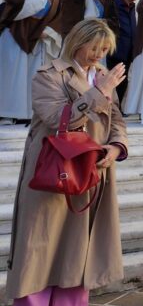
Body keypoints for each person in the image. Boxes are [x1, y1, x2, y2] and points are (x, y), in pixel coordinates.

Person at [5, 19, 128, 306]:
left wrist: (116, 146)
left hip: (92, 172)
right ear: (77, 42)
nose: (99, 55)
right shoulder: (48, 75)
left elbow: (118, 120)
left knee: (77, 250)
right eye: (95, 48)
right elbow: (59, 119)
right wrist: (100, 92)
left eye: (105, 49)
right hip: (53, 172)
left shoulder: (102, 75)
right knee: (40, 245)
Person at [0, 0, 64, 123]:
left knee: (34, 78)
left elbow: (58, 17)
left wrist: (49, 31)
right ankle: (7, 112)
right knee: (13, 78)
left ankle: (28, 114)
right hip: (17, 37)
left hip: (40, 41)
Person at [109, 0, 139, 101]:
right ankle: (110, 107)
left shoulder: (131, 7)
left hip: (128, 51)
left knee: (123, 81)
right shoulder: (113, 4)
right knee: (113, 80)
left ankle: (117, 108)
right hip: (116, 50)